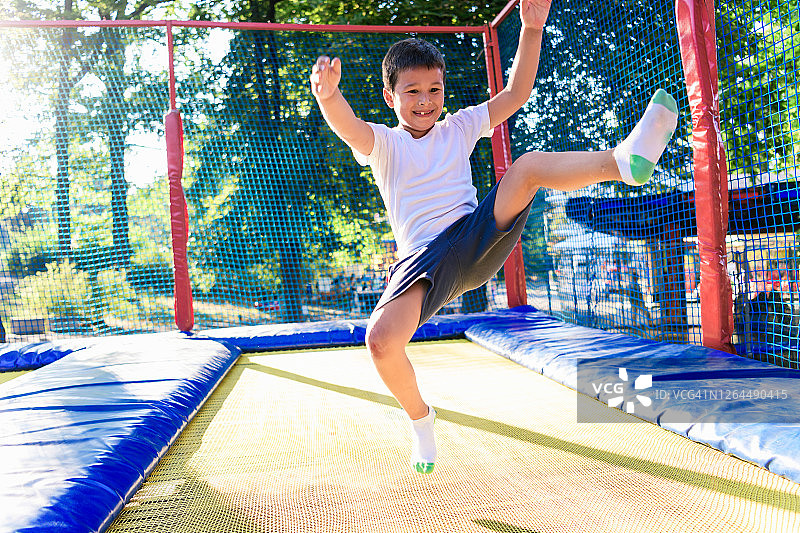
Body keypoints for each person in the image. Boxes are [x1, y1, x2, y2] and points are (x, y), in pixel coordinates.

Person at [310, 0, 678, 473]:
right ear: (390, 97)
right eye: (412, 91)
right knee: (380, 341)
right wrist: (328, 98)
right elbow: (349, 128)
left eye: (434, 89)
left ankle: (622, 163)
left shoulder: (459, 126)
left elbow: (517, 93)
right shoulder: (385, 143)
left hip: (474, 236)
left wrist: (531, 27)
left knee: (526, 168)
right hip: (422, 261)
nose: (425, 100)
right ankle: (421, 419)